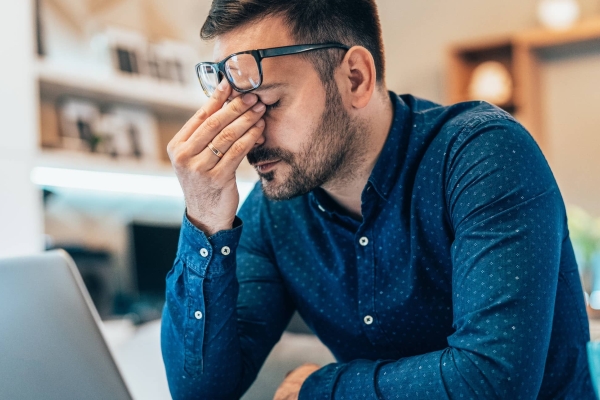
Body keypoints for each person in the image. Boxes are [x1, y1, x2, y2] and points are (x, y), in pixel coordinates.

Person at [160, 1, 595, 399]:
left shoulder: (483, 156)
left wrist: (321, 391)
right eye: (235, 113)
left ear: (356, 78)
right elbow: (200, 393)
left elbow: (493, 381)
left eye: (268, 104)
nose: (249, 138)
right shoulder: (275, 210)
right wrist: (204, 217)